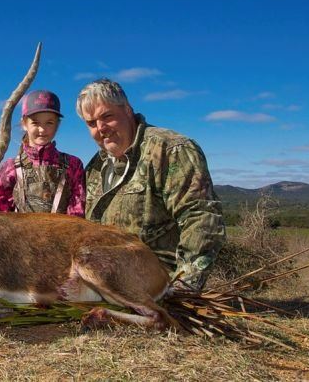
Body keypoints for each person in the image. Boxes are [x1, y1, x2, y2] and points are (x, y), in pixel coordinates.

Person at [76, 78, 225, 289]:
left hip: (158, 288)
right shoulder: (94, 168)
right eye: (91, 123)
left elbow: (201, 218)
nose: (100, 128)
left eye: (107, 116)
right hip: (108, 287)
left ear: (127, 110)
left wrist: (182, 287)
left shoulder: (170, 150)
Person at [0, 90, 86, 216]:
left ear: (57, 125)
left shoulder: (73, 165)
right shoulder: (10, 167)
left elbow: (78, 210)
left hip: (65, 229)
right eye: (35, 123)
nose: (42, 129)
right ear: (24, 123)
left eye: (49, 123)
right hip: (18, 229)